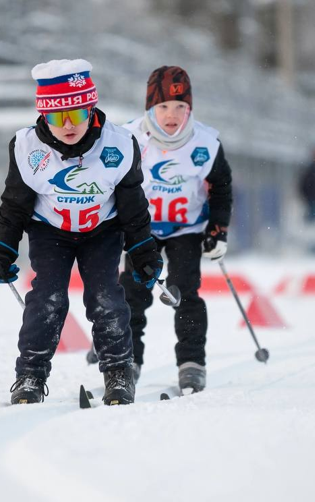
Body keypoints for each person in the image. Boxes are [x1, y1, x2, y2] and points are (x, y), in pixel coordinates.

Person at [0, 59, 161, 405]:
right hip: (51, 231)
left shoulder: (119, 145)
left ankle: (119, 371)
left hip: (102, 230)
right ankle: (30, 376)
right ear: (44, 116)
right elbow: (15, 205)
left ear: (91, 109)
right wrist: (2, 250)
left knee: (106, 296)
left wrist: (143, 251)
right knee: (47, 297)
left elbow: (133, 206)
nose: (68, 125)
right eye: (57, 117)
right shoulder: (27, 148)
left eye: (77, 115)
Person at [116, 65, 233, 394]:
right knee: (132, 294)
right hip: (143, 232)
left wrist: (218, 229)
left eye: (181, 107)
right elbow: (112, 185)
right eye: (164, 106)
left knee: (185, 292)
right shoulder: (129, 139)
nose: (172, 115)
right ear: (150, 108)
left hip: (187, 229)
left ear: (190, 109)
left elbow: (221, 186)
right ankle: (127, 360)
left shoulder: (206, 143)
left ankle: (192, 364)